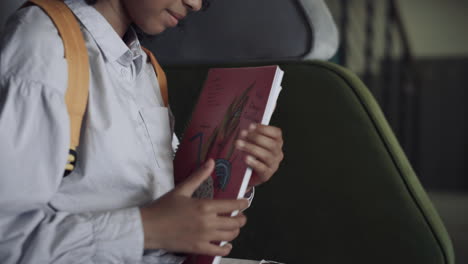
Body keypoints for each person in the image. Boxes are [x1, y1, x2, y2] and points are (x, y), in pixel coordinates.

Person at [0, 0, 284, 263]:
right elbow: (7, 238)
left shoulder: (147, 69)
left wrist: (238, 173)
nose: (195, 4)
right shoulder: (43, 43)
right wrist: (146, 230)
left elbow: (174, 206)